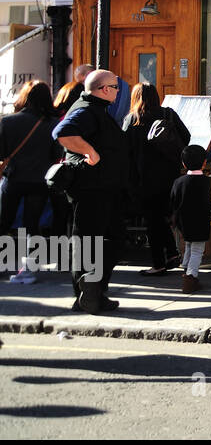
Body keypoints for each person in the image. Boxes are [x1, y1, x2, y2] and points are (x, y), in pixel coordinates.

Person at [51, 69, 129, 313]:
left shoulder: (95, 108)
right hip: (91, 188)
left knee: (109, 240)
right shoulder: (86, 109)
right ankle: (88, 294)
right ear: (104, 90)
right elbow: (62, 133)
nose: (118, 91)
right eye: (115, 87)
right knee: (88, 242)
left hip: (102, 188)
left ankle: (93, 291)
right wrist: (90, 153)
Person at [123, 82, 189, 276]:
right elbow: (186, 136)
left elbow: (125, 151)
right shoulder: (168, 114)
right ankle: (171, 254)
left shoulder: (132, 120)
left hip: (143, 178)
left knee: (153, 220)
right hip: (169, 175)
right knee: (161, 217)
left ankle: (158, 263)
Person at [0, 81, 61, 281]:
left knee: (4, 221)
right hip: (40, 180)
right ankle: (29, 269)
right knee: (32, 224)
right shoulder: (53, 125)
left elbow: (2, 152)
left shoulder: (8, 122)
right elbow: (56, 154)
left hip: (15, 178)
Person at [171, 145, 211, 294]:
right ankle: (190, 277)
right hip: (200, 221)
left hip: (184, 221)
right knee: (197, 250)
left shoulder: (179, 182)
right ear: (204, 163)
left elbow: (173, 202)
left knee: (188, 244)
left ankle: (185, 267)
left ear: (183, 163)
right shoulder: (208, 182)